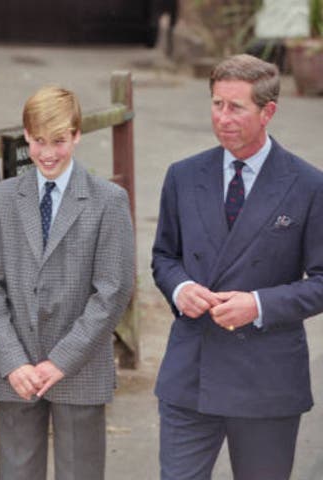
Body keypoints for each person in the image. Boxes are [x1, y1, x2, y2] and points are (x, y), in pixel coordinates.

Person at [152, 54, 323, 480]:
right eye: (216, 104)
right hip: (191, 374)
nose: (223, 118)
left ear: (268, 112)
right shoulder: (183, 176)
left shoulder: (308, 185)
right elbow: (164, 257)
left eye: (236, 107)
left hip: (266, 380)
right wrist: (179, 289)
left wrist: (259, 305)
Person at [0, 85, 135, 480]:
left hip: (79, 366)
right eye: (39, 141)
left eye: (60, 141)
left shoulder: (107, 200)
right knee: (16, 470)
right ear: (26, 136)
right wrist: (12, 362)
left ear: (78, 135)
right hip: (18, 370)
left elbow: (112, 292)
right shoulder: (2, 198)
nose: (48, 153)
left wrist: (61, 361)